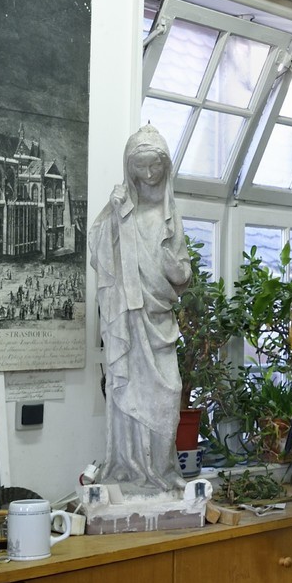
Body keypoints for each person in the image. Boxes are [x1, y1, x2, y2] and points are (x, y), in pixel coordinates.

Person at [90, 125, 192, 493]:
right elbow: (98, 257)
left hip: (158, 319)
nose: (148, 175)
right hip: (129, 319)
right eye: (141, 168)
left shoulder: (169, 216)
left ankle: (161, 470)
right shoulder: (118, 210)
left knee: (168, 393)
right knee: (128, 392)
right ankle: (131, 470)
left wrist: (175, 268)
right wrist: (117, 221)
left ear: (166, 168)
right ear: (129, 169)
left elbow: (181, 273)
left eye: (155, 167)